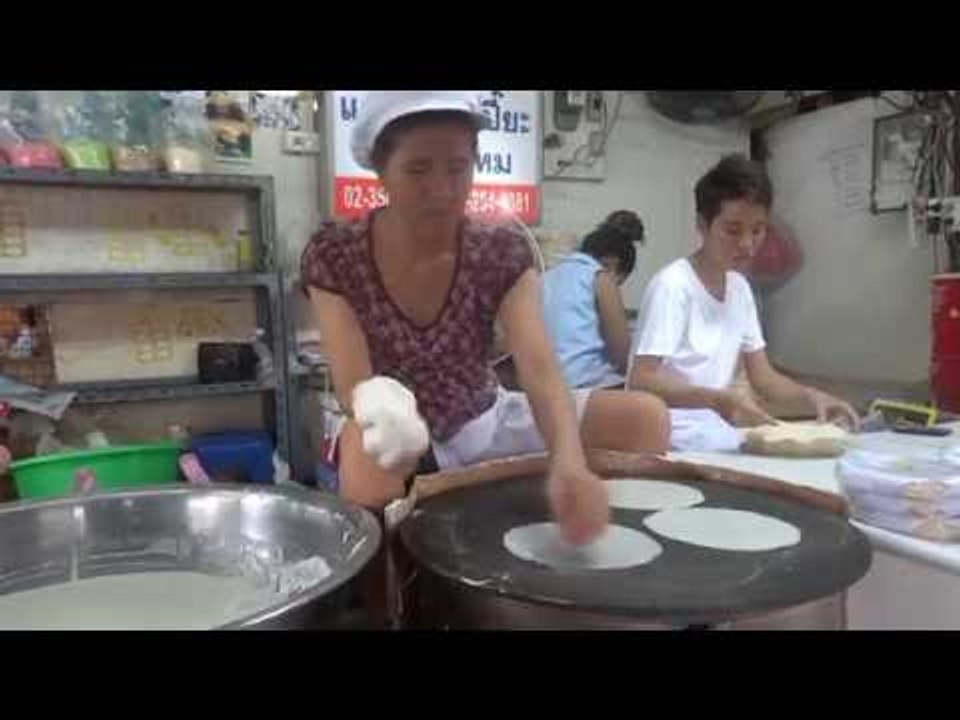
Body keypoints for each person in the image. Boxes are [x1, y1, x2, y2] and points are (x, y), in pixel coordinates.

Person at [301, 91, 669, 545]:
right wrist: (390, 416)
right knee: (366, 464)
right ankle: (393, 600)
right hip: (389, 423)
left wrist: (569, 462)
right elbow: (354, 382)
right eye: (418, 169)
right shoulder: (335, 254)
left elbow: (538, 369)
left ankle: (602, 543)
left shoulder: (499, 250)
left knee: (644, 418)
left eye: (457, 168)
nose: (440, 189)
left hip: (482, 419)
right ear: (380, 170)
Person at [628, 154, 858, 452]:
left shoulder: (740, 289)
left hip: (716, 434)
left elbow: (764, 380)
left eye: (757, 230)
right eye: (733, 230)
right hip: (670, 437)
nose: (747, 244)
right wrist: (717, 399)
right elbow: (641, 381)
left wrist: (813, 397)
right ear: (702, 225)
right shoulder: (673, 287)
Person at [543, 210, 644, 389]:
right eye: (619, 282)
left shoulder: (544, 278)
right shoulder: (600, 277)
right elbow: (622, 358)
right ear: (611, 264)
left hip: (542, 388)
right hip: (582, 387)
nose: (617, 287)